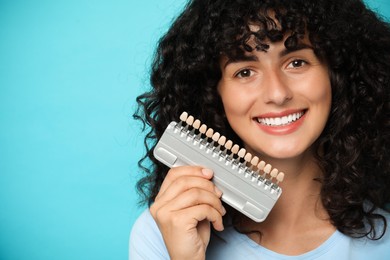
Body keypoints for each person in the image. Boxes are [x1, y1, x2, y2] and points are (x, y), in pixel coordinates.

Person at [130, 0, 390, 259]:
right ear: (213, 93)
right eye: (244, 72)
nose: (277, 93)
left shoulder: (384, 241)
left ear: (337, 75)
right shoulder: (163, 234)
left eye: (296, 62)